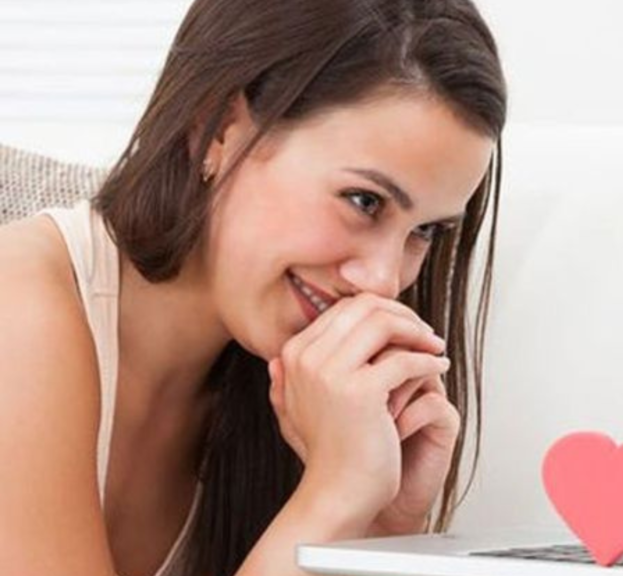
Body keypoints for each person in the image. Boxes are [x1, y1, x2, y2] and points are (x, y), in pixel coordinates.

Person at [0, 0, 506, 575]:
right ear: (217, 130)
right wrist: (335, 495)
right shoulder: (17, 311)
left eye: (426, 232)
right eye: (364, 201)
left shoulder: (296, 403)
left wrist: (378, 528)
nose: (384, 280)